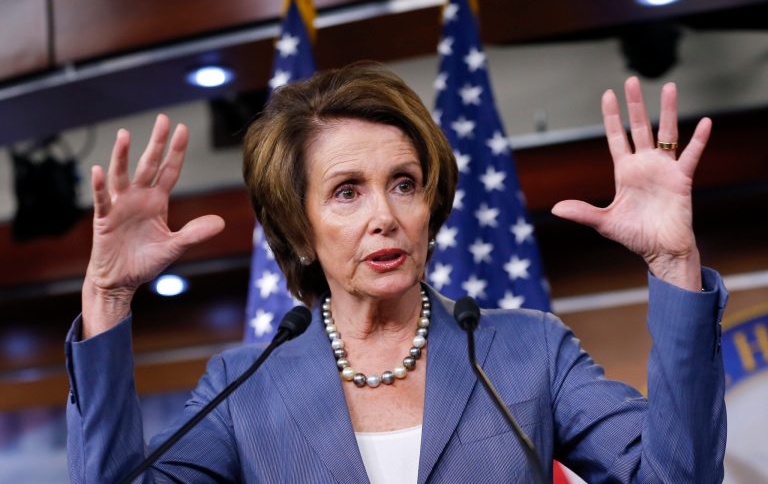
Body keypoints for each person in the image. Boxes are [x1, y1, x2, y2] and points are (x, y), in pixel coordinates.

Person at [65, 63, 727, 483]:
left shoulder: (531, 350)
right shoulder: (244, 388)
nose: (385, 215)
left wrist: (674, 264)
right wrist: (107, 294)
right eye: (347, 191)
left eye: (404, 183)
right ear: (300, 228)